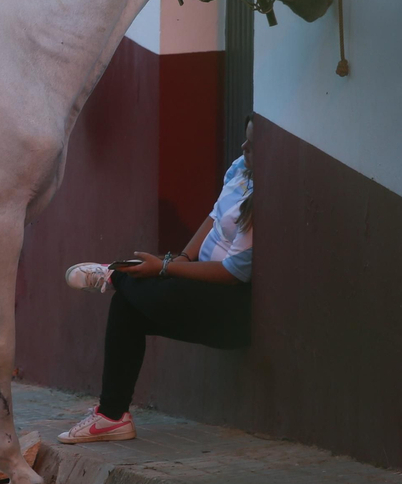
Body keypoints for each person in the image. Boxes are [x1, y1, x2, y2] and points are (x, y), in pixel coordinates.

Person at [57, 119, 254, 444]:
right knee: (127, 305)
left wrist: (165, 268)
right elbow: (214, 217)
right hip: (200, 285)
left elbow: (234, 273)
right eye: (244, 141)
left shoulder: (265, 197)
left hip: (231, 308)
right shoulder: (241, 169)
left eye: (252, 145)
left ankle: (114, 274)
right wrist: (183, 258)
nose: (244, 148)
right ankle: (112, 417)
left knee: (151, 290)